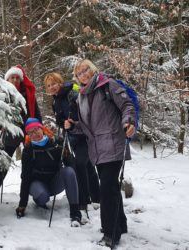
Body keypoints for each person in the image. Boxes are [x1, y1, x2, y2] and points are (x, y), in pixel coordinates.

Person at [65, 59, 136, 247]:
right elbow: (88, 128)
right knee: (111, 187)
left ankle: (110, 234)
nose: (83, 74)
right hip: (96, 150)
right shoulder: (81, 97)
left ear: (93, 69)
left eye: (85, 69)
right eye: (79, 73)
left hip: (113, 144)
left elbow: (126, 105)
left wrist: (129, 122)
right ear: (77, 77)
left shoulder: (107, 85)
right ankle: (120, 224)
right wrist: (73, 126)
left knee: (106, 190)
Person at [44, 72, 100, 211]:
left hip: (84, 135)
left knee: (80, 164)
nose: (52, 87)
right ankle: (97, 196)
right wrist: (61, 122)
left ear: (60, 83)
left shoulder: (72, 94)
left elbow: (85, 113)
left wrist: (73, 123)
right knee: (87, 165)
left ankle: (84, 200)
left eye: (54, 83)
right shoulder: (56, 100)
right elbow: (61, 120)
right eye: (49, 85)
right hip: (71, 137)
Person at [0, 65, 42, 195]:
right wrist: (0, 125)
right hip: (11, 131)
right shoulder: (2, 93)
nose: (15, 80)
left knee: (30, 161)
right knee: (3, 161)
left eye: (17, 78)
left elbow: (36, 111)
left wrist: (40, 127)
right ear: (8, 79)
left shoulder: (27, 93)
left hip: (29, 130)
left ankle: (31, 188)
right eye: (12, 78)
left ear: (21, 79)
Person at [15, 118, 82, 226]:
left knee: (69, 171)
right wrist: (22, 204)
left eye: (36, 129)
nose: (34, 134)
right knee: (42, 195)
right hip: (37, 185)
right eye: (30, 132)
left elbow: (71, 166)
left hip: (55, 183)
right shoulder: (28, 150)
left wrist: (67, 155)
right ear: (27, 135)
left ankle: (75, 213)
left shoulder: (56, 142)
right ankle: (40, 202)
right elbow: (25, 177)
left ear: (42, 129)